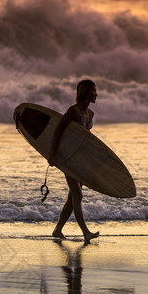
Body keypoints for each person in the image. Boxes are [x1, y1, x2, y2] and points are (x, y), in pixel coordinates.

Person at [48, 79, 100, 242]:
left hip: (81, 159)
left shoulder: (90, 114)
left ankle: (57, 230)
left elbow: (86, 138)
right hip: (68, 157)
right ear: (85, 92)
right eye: (93, 91)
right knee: (77, 194)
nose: (96, 94)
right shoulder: (73, 111)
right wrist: (52, 154)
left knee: (72, 198)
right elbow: (58, 131)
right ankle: (85, 232)